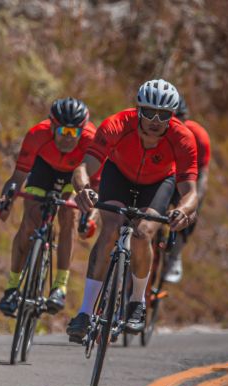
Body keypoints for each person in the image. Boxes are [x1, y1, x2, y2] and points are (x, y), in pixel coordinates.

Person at [66, 79, 199, 341]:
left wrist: (182, 210)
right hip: (119, 175)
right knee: (111, 230)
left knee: (142, 233)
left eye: (163, 115)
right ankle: (84, 312)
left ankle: (137, 303)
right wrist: (83, 190)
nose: (155, 120)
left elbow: (190, 192)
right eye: (148, 112)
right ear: (138, 110)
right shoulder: (117, 124)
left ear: (172, 116)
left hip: (159, 183)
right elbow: (84, 167)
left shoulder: (183, 138)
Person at [0, 97, 98, 316]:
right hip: (44, 170)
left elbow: (95, 186)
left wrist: (90, 216)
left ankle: (59, 287)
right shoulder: (37, 135)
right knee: (29, 222)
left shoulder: (91, 140)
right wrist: (6, 201)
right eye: (62, 131)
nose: (67, 139)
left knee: (69, 216)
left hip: (76, 176)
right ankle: (12, 288)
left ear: (83, 131)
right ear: (51, 125)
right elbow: (18, 177)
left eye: (73, 133)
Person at [163, 97, 211, 283]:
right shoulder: (160, 133)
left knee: (191, 210)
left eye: (179, 119)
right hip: (166, 176)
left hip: (188, 179)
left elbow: (203, 176)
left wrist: (194, 202)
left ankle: (175, 256)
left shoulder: (199, 136)